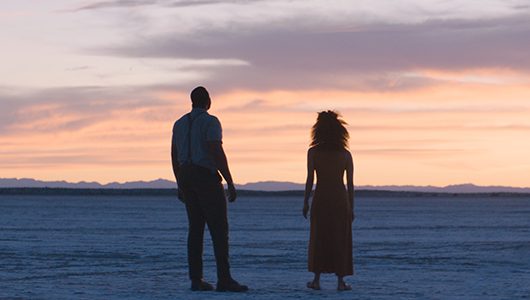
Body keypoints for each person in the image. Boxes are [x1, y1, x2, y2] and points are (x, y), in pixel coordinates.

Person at [171, 86, 248, 292]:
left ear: (192, 101)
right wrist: (230, 181)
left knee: (195, 229)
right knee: (219, 230)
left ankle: (196, 279)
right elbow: (215, 149)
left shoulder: (179, 124)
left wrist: (179, 182)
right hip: (204, 176)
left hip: (186, 175)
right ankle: (224, 279)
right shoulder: (210, 121)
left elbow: (174, 154)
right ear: (208, 102)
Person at [303, 110, 355, 291]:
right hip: (340, 199)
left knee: (319, 237)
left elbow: (310, 179)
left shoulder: (313, 152)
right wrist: (352, 207)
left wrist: (305, 202)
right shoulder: (345, 154)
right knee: (340, 238)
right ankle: (340, 282)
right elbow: (350, 184)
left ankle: (316, 280)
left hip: (321, 198)